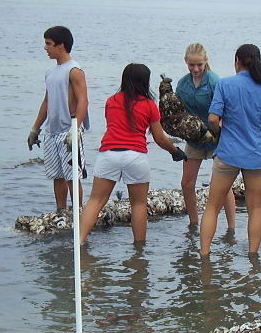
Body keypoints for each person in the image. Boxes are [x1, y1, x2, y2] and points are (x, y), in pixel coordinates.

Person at [80, 63, 187, 244]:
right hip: (135, 157)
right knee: (138, 204)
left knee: (95, 201)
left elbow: (113, 127)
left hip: (109, 154)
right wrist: (175, 151)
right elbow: (159, 137)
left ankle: (80, 241)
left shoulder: (111, 101)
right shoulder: (149, 105)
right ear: (145, 82)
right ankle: (139, 248)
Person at [199, 44, 261, 256]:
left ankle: (204, 255)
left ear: (237, 61)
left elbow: (213, 119)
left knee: (212, 208)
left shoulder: (225, 85)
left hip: (227, 153)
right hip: (255, 155)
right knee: (255, 209)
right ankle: (253, 258)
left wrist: (218, 133)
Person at [28, 26, 90, 210]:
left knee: (72, 175)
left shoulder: (74, 70)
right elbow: (47, 101)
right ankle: (61, 211)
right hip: (51, 131)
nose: (45, 48)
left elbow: (83, 101)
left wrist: (75, 129)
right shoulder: (50, 72)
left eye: (48, 44)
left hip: (68, 130)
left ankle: (77, 213)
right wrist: (35, 129)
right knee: (57, 175)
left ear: (61, 45)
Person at [176, 43, 236, 230]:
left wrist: (219, 131)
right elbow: (178, 113)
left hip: (217, 136)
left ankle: (231, 227)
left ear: (206, 62)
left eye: (199, 65)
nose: (195, 69)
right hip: (194, 138)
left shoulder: (214, 82)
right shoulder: (182, 84)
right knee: (186, 183)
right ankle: (194, 223)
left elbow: (226, 110)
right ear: (186, 62)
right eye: (192, 65)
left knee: (222, 184)